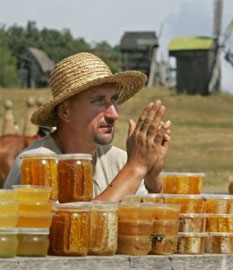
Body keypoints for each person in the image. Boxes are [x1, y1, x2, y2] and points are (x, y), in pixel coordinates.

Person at [5, 52, 171, 202]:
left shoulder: (118, 161)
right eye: (99, 101)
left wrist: (152, 180)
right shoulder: (36, 165)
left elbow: (145, 229)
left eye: (114, 99)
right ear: (65, 111)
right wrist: (136, 168)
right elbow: (77, 230)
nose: (114, 114)